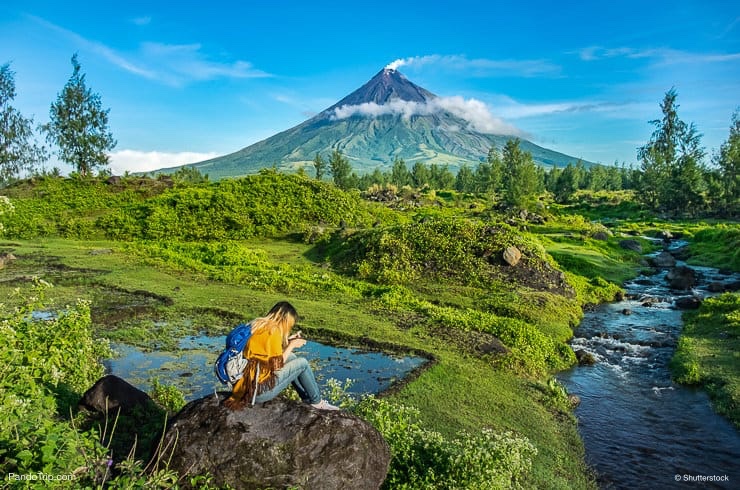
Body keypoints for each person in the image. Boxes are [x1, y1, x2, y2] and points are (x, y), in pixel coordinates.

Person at [223, 301, 339, 411]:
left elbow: (265, 353)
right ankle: (317, 402)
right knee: (302, 363)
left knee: (292, 357)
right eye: (290, 325)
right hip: (258, 392)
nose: (289, 328)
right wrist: (291, 345)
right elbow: (276, 365)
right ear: (285, 320)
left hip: (245, 384)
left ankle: (306, 398)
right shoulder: (274, 331)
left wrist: (287, 341)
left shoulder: (256, 325)